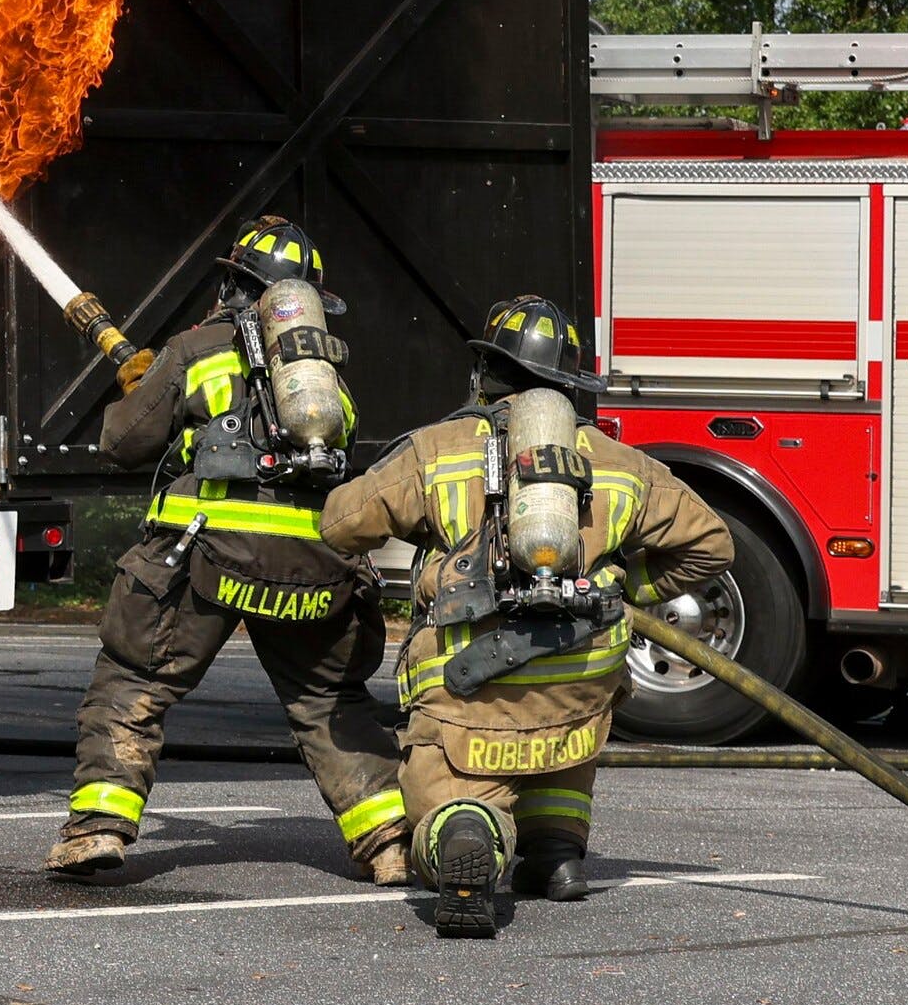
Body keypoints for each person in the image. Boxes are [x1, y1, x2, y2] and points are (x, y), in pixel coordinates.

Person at [310, 294, 734, 937]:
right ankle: (557, 857)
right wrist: (627, 583)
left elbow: (340, 524)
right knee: (562, 739)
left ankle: (465, 845)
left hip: (467, 682)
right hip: (581, 676)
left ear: (488, 375)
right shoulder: (622, 464)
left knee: (450, 796)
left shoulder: (439, 449)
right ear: (568, 384)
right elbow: (712, 545)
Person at [48, 218, 408, 884]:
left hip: (202, 557)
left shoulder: (195, 347)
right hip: (313, 568)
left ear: (232, 284)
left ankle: (98, 827)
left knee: (134, 679)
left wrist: (148, 382)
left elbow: (122, 442)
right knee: (328, 697)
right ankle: (390, 839)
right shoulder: (324, 375)